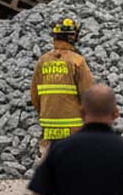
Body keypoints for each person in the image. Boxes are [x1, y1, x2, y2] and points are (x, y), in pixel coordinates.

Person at [29, 17, 95, 157]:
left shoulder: (43, 60)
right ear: (72, 37)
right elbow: (88, 95)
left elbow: (34, 95)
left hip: (48, 124)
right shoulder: (77, 61)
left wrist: (45, 111)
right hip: (72, 125)